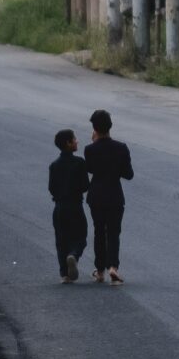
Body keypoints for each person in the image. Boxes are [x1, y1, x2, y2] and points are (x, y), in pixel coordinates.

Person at [82, 107, 133, 284]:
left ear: (94, 129)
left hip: (96, 195)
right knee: (113, 232)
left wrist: (94, 143)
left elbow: (89, 169)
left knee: (98, 231)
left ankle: (100, 270)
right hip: (115, 196)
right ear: (110, 126)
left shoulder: (89, 149)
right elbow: (128, 174)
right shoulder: (121, 148)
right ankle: (113, 267)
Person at [47, 128, 90, 283]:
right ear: (68, 143)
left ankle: (65, 274)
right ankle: (74, 255)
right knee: (81, 237)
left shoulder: (54, 165)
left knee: (61, 240)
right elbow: (85, 185)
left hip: (59, 207)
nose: (77, 141)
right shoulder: (79, 163)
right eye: (74, 139)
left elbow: (51, 187)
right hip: (75, 206)